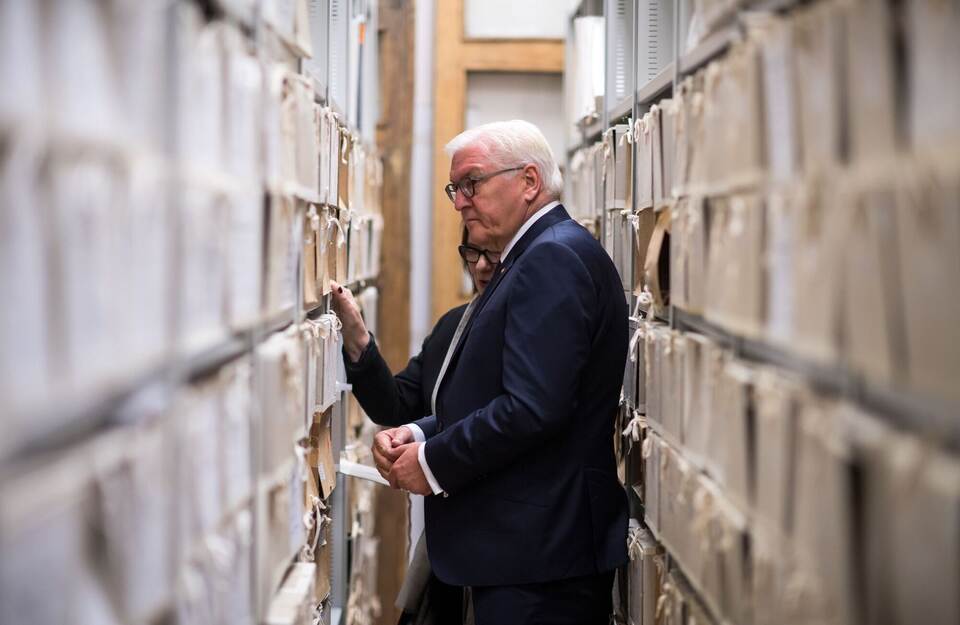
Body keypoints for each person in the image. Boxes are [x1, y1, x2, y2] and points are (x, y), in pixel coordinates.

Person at [373, 120, 629, 625]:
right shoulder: (535, 255)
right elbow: (508, 391)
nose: (459, 202)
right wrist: (419, 431)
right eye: (455, 189)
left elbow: (533, 409)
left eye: (472, 183)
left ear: (529, 182)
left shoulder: (551, 257)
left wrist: (430, 462)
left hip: (541, 561)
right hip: (529, 554)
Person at [331, 228, 501, 625]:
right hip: (445, 550)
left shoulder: (524, 333)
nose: (480, 265)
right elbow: (397, 403)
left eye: (492, 254)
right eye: (472, 252)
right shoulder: (453, 326)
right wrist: (356, 337)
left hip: (500, 550)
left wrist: (427, 453)